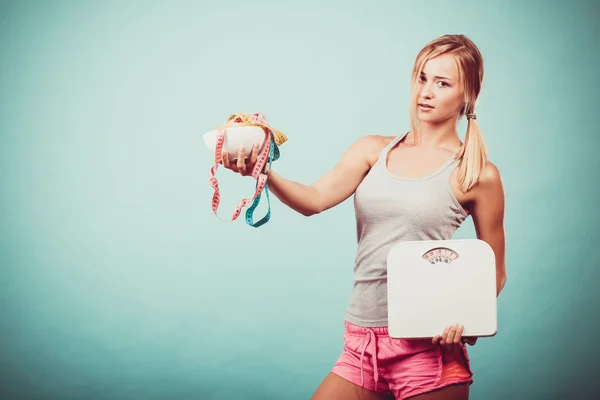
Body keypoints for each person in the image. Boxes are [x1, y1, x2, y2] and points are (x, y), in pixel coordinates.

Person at [221, 34, 507, 400]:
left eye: (442, 83)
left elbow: (494, 271)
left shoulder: (477, 173)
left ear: (467, 94)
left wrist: (467, 318)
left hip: (428, 351)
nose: (427, 91)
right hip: (361, 343)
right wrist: (264, 172)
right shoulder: (373, 150)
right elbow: (314, 200)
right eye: (422, 77)